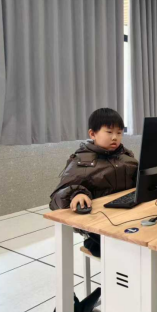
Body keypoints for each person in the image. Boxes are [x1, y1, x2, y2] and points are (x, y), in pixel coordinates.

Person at [49, 108, 138, 256]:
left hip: (126, 214)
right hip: (99, 222)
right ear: (92, 134)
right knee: (128, 252)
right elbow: (57, 197)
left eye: (119, 133)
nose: (115, 137)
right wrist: (76, 194)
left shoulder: (126, 157)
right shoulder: (81, 161)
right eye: (109, 132)